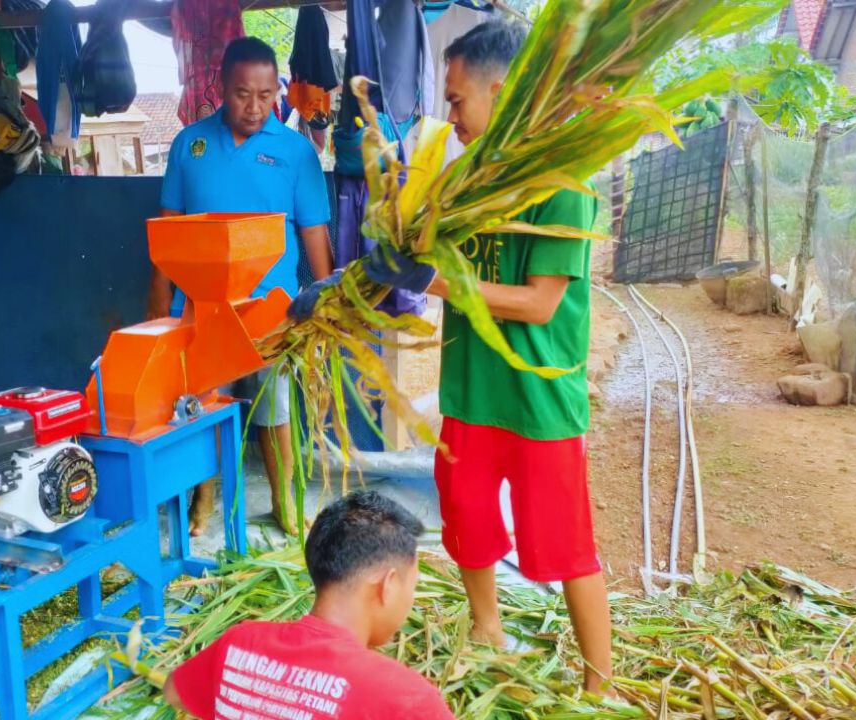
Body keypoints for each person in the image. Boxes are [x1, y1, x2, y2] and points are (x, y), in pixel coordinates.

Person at [293, 20, 613, 694]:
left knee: (565, 543)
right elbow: (414, 259)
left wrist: (434, 281)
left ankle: (598, 684)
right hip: (469, 389)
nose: (451, 115)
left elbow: (538, 305)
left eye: (458, 100)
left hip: (538, 401)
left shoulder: (564, 181)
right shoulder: (465, 177)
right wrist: (337, 288)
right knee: (465, 514)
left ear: (503, 91)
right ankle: (486, 626)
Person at [149, 37, 335, 537]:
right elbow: (167, 238)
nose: (254, 107)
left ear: (278, 90)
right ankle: (202, 502)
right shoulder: (190, 145)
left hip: (271, 311)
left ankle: (284, 503)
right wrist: (159, 315)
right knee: (202, 408)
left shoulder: (296, 152)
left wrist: (327, 303)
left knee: (274, 412)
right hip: (202, 309)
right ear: (220, 88)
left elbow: (314, 236)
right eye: (241, 94)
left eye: (264, 94)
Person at [162, 491, 456, 720]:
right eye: (412, 586)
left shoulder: (240, 643)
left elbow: (174, 691)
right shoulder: (407, 698)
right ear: (388, 585)